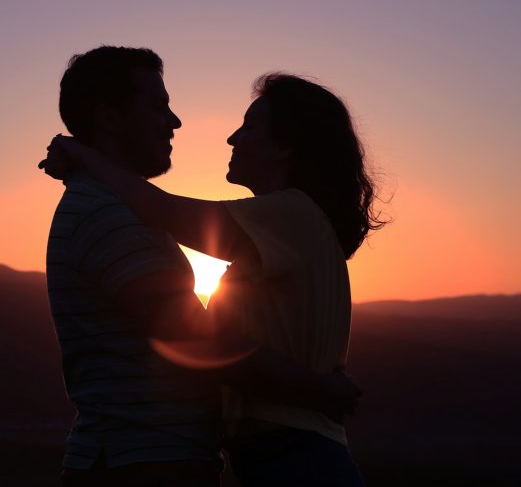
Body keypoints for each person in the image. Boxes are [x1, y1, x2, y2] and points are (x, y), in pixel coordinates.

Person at [43, 72, 383, 486]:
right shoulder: (286, 226)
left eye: (249, 127)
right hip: (283, 455)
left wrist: (84, 157)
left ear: (284, 146)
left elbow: (166, 212)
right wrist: (315, 387)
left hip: (295, 457)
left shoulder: (292, 215)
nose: (232, 138)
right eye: (157, 106)